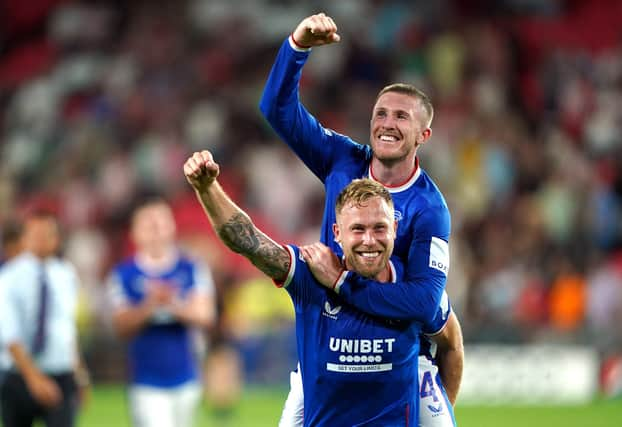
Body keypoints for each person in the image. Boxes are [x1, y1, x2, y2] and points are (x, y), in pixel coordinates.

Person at [260, 12, 463, 426]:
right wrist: (297, 47)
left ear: (423, 136)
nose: (387, 123)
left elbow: (424, 302)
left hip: (399, 363)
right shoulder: (342, 158)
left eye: (401, 117)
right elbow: (277, 111)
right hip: (326, 355)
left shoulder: (429, 208)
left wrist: (340, 282)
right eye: (381, 113)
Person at [185, 149, 449, 426]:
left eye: (379, 228)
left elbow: (452, 344)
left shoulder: (416, 287)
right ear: (337, 233)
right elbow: (248, 242)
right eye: (357, 229)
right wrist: (207, 189)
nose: (369, 240)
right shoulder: (311, 276)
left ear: (395, 228)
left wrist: (445, 410)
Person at [107, 198, 216, 427]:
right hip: (146, 381)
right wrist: (149, 305)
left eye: (160, 223)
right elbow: (120, 326)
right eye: (149, 224)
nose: (156, 230)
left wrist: (173, 304)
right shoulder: (124, 275)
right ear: (135, 232)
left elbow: (206, 316)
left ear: (172, 227)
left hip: (186, 377)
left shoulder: (191, 267)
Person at [0, 211, 90, 427]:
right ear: (24, 238)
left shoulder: (66, 274)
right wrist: (35, 379)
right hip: (19, 376)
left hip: (60, 372)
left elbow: (67, 330)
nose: (40, 240)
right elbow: (9, 334)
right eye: (35, 234)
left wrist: (80, 374)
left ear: (56, 239)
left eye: (46, 234)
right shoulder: (9, 277)